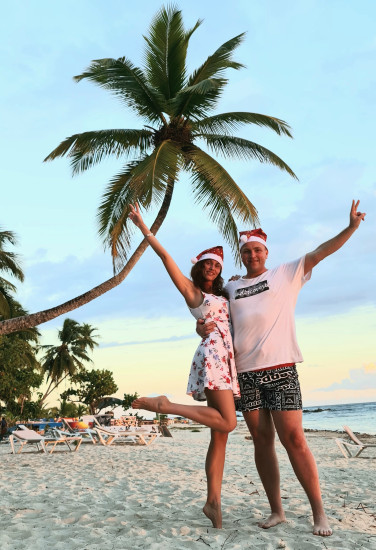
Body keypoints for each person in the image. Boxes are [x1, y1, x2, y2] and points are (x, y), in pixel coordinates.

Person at [197, 199, 366, 537]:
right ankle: (277, 510)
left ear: (266, 252)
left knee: (294, 440)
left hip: (282, 370)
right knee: (262, 441)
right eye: (247, 252)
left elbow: (321, 252)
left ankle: (319, 514)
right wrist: (201, 328)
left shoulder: (286, 274)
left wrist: (350, 228)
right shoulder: (231, 287)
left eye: (257, 250)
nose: (252, 256)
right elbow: (211, 312)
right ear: (241, 256)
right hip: (246, 375)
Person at [127, 204, 239, 529]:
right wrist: (144, 228)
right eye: (207, 264)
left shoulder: (224, 293)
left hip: (226, 360)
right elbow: (166, 259)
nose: (212, 268)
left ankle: (213, 502)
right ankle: (166, 405)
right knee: (228, 423)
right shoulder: (194, 293)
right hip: (214, 356)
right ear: (199, 267)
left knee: (220, 435)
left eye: (216, 265)